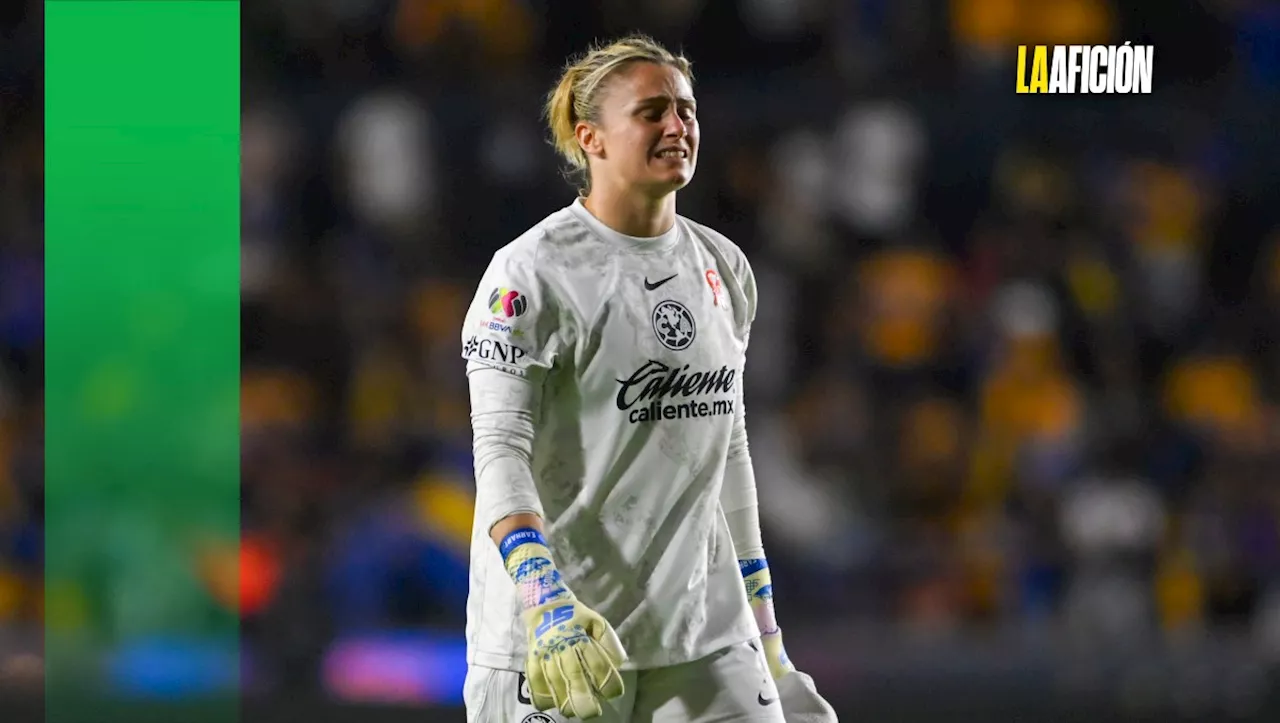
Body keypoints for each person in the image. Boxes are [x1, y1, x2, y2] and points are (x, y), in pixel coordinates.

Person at [460, 34, 836, 723]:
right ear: (591, 139)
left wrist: (771, 644)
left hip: (702, 640)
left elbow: (726, 449)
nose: (677, 127)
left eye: (687, 111)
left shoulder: (724, 268)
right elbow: (499, 451)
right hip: (562, 642)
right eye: (652, 111)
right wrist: (544, 600)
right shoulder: (528, 275)